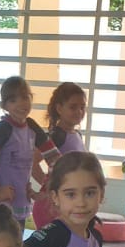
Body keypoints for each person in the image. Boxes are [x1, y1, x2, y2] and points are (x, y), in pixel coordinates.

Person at [0, 76, 62, 228]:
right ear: (4, 106)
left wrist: (44, 190)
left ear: (31, 98)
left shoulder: (32, 127)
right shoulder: (3, 129)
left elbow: (57, 160)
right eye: (13, 100)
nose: (21, 104)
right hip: (0, 211)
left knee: (16, 243)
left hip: (21, 206)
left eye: (25, 97)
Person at [30, 82, 88, 229]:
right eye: (73, 107)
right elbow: (32, 163)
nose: (79, 112)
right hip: (50, 207)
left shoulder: (77, 135)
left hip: (68, 204)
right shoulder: (56, 136)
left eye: (82, 107)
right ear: (59, 108)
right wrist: (50, 187)